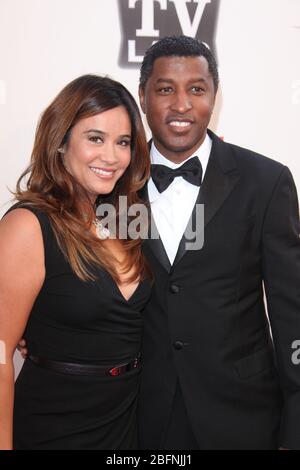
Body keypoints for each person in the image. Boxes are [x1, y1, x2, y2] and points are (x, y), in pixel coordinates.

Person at [136, 36, 300, 449]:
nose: (181, 105)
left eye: (196, 89)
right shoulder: (113, 185)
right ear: (142, 96)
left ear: (214, 96)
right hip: (139, 415)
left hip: (244, 415)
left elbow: (291, 311)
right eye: (164, 89)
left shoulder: (266, 181)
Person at [0, 74, 152, 450]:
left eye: (123, 143)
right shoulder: (28, 224)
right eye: (95, 138)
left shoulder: (126, 220)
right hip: (56, 426)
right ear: (61, 142)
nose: (111, 156)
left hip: (127, 422)